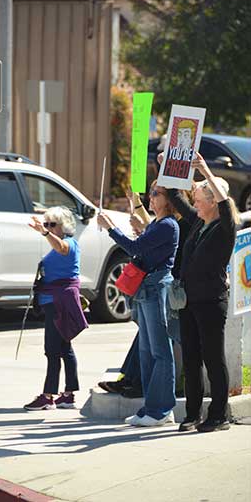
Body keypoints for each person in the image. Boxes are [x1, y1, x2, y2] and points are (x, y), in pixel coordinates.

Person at [165, 153, 237, 432]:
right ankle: (192, 414)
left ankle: (219, 415)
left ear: (212, 203)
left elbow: (226, 202)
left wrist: (205, 170)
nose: (195, 202)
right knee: (192, 359)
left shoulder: (224, 227)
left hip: (211, 301)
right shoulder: (198, 222)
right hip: (189, 301)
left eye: (199, 199)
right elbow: (175, 195)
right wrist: (168, 164)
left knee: (212, 358)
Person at [98, 183, 179, 427]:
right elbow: (142, 246)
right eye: (150, 193)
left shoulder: (168, 225)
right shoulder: (157, 223)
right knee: (146, 351)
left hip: (155, 288)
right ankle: (151, 407)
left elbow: (135, 247)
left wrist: (111, 228)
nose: (151, 198)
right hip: (146, 288)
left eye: (156, 194)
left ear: (169, 198)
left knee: (160, 351)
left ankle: (161, 409)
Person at [22, 207, 87, 410]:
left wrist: (43, 232)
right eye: (46, 223)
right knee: (63, 348)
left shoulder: (68, 243)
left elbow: (61, 248)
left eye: (52, 224)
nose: (48, 227)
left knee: (52, 350)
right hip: (57, 301)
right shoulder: (57, 243)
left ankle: (48, 396)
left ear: (63, 226)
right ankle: (68, 394)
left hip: (58, 302)